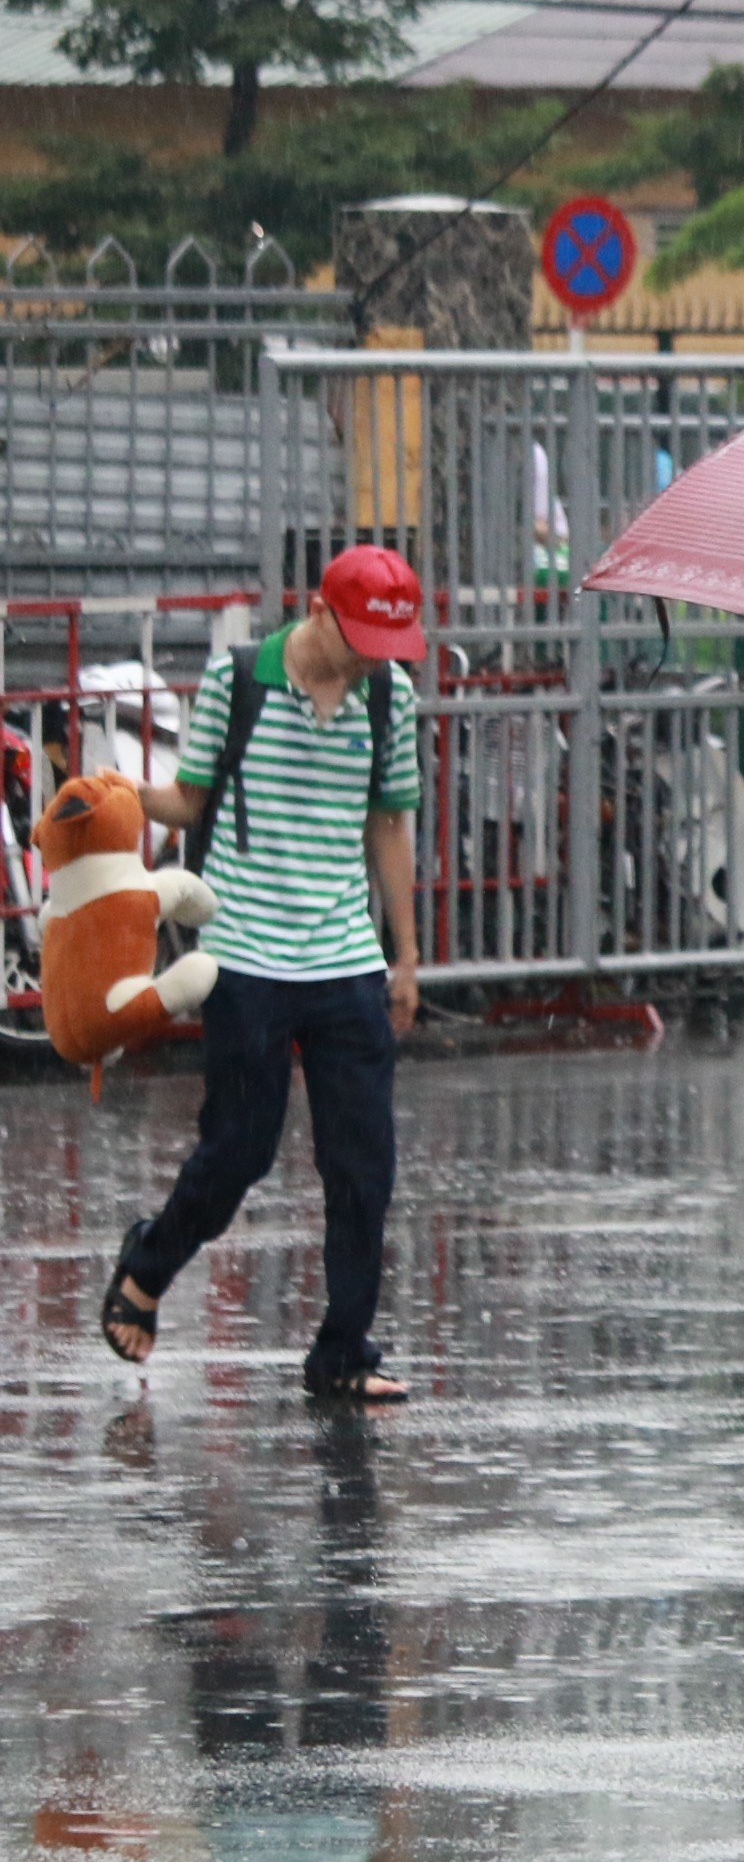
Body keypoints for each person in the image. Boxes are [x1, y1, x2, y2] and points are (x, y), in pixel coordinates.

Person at [99, 547, 428, 1404]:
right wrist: (121, 797)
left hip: (345, 957)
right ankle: (148, 1264)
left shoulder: (389, 696)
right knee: (239, 1149)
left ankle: (343, 1352)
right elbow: (191, 799)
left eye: (382, 647)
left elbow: (389, 823)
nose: (367, 661)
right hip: (244, 951)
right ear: (317, 612)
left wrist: (406, 954)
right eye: (356, 640)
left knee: (364, 1165)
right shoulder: (239, 679)